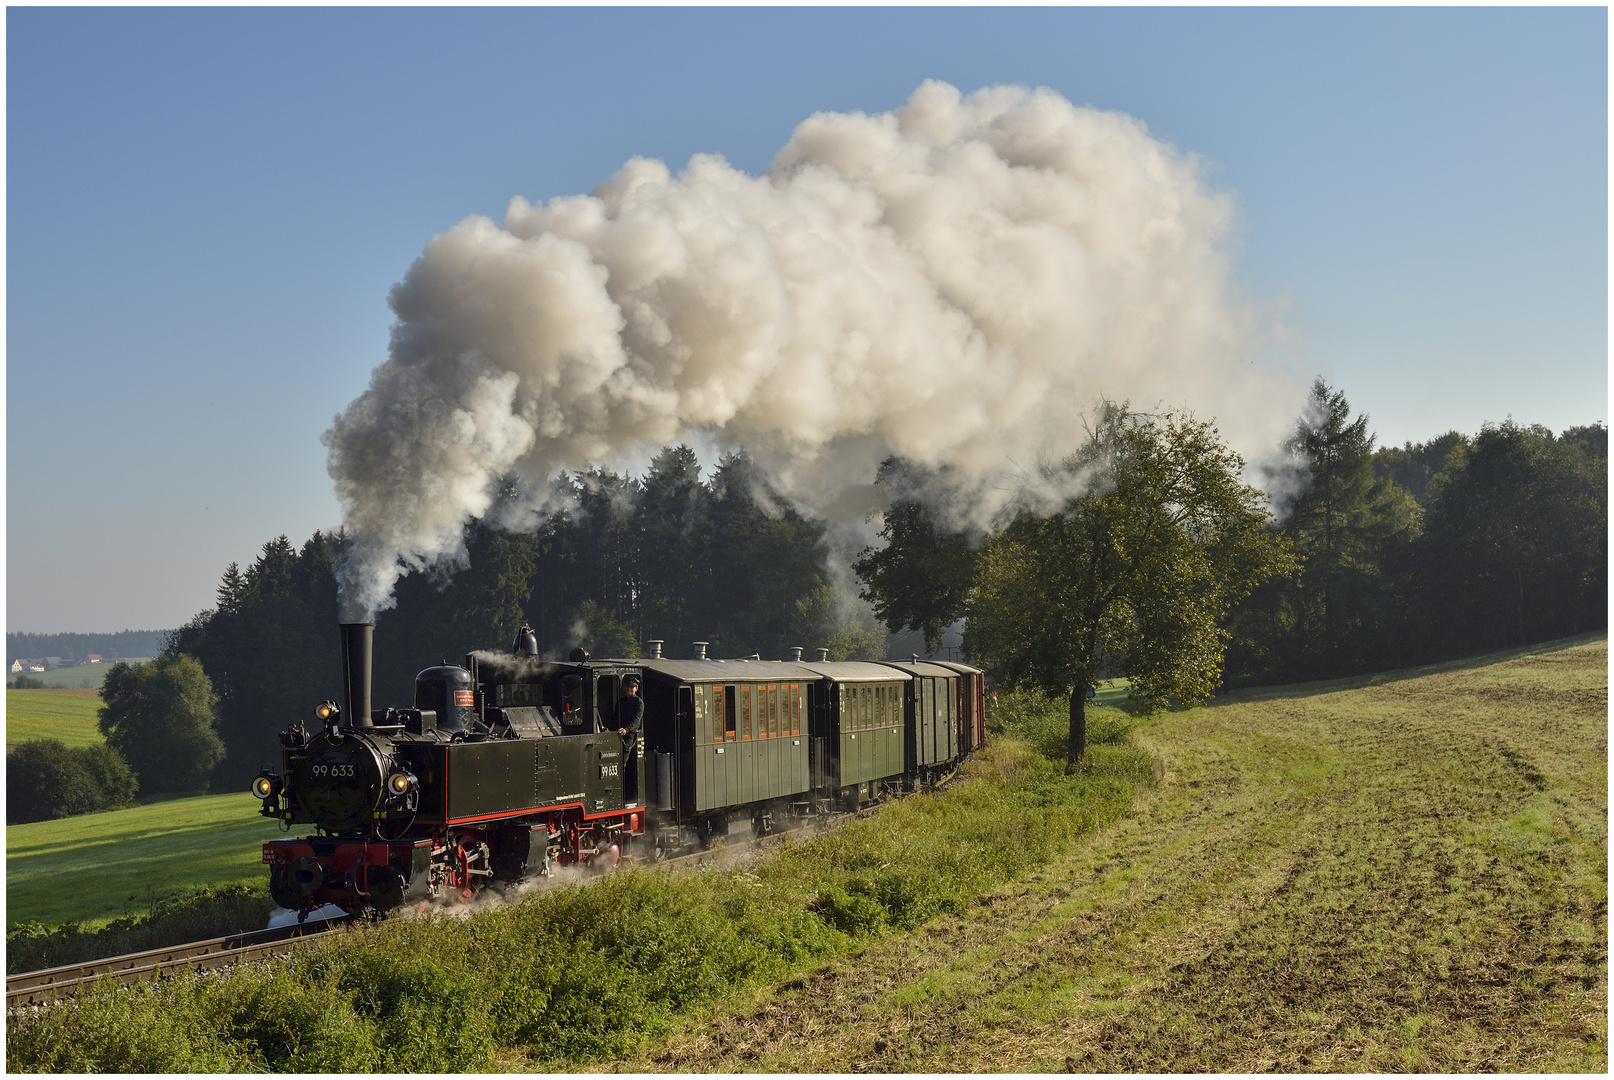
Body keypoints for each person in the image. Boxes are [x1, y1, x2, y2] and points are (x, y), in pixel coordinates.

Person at [614, 676, 644, 802]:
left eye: (631, 687)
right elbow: (615, 717)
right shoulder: (620, 702)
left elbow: (636, 721)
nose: (629, 689)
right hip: (617, 734)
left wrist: (626, 729)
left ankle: (623, 794)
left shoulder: (639, 703)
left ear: (636, 688)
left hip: (630, 736)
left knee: (622, 762)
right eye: (627, 687)